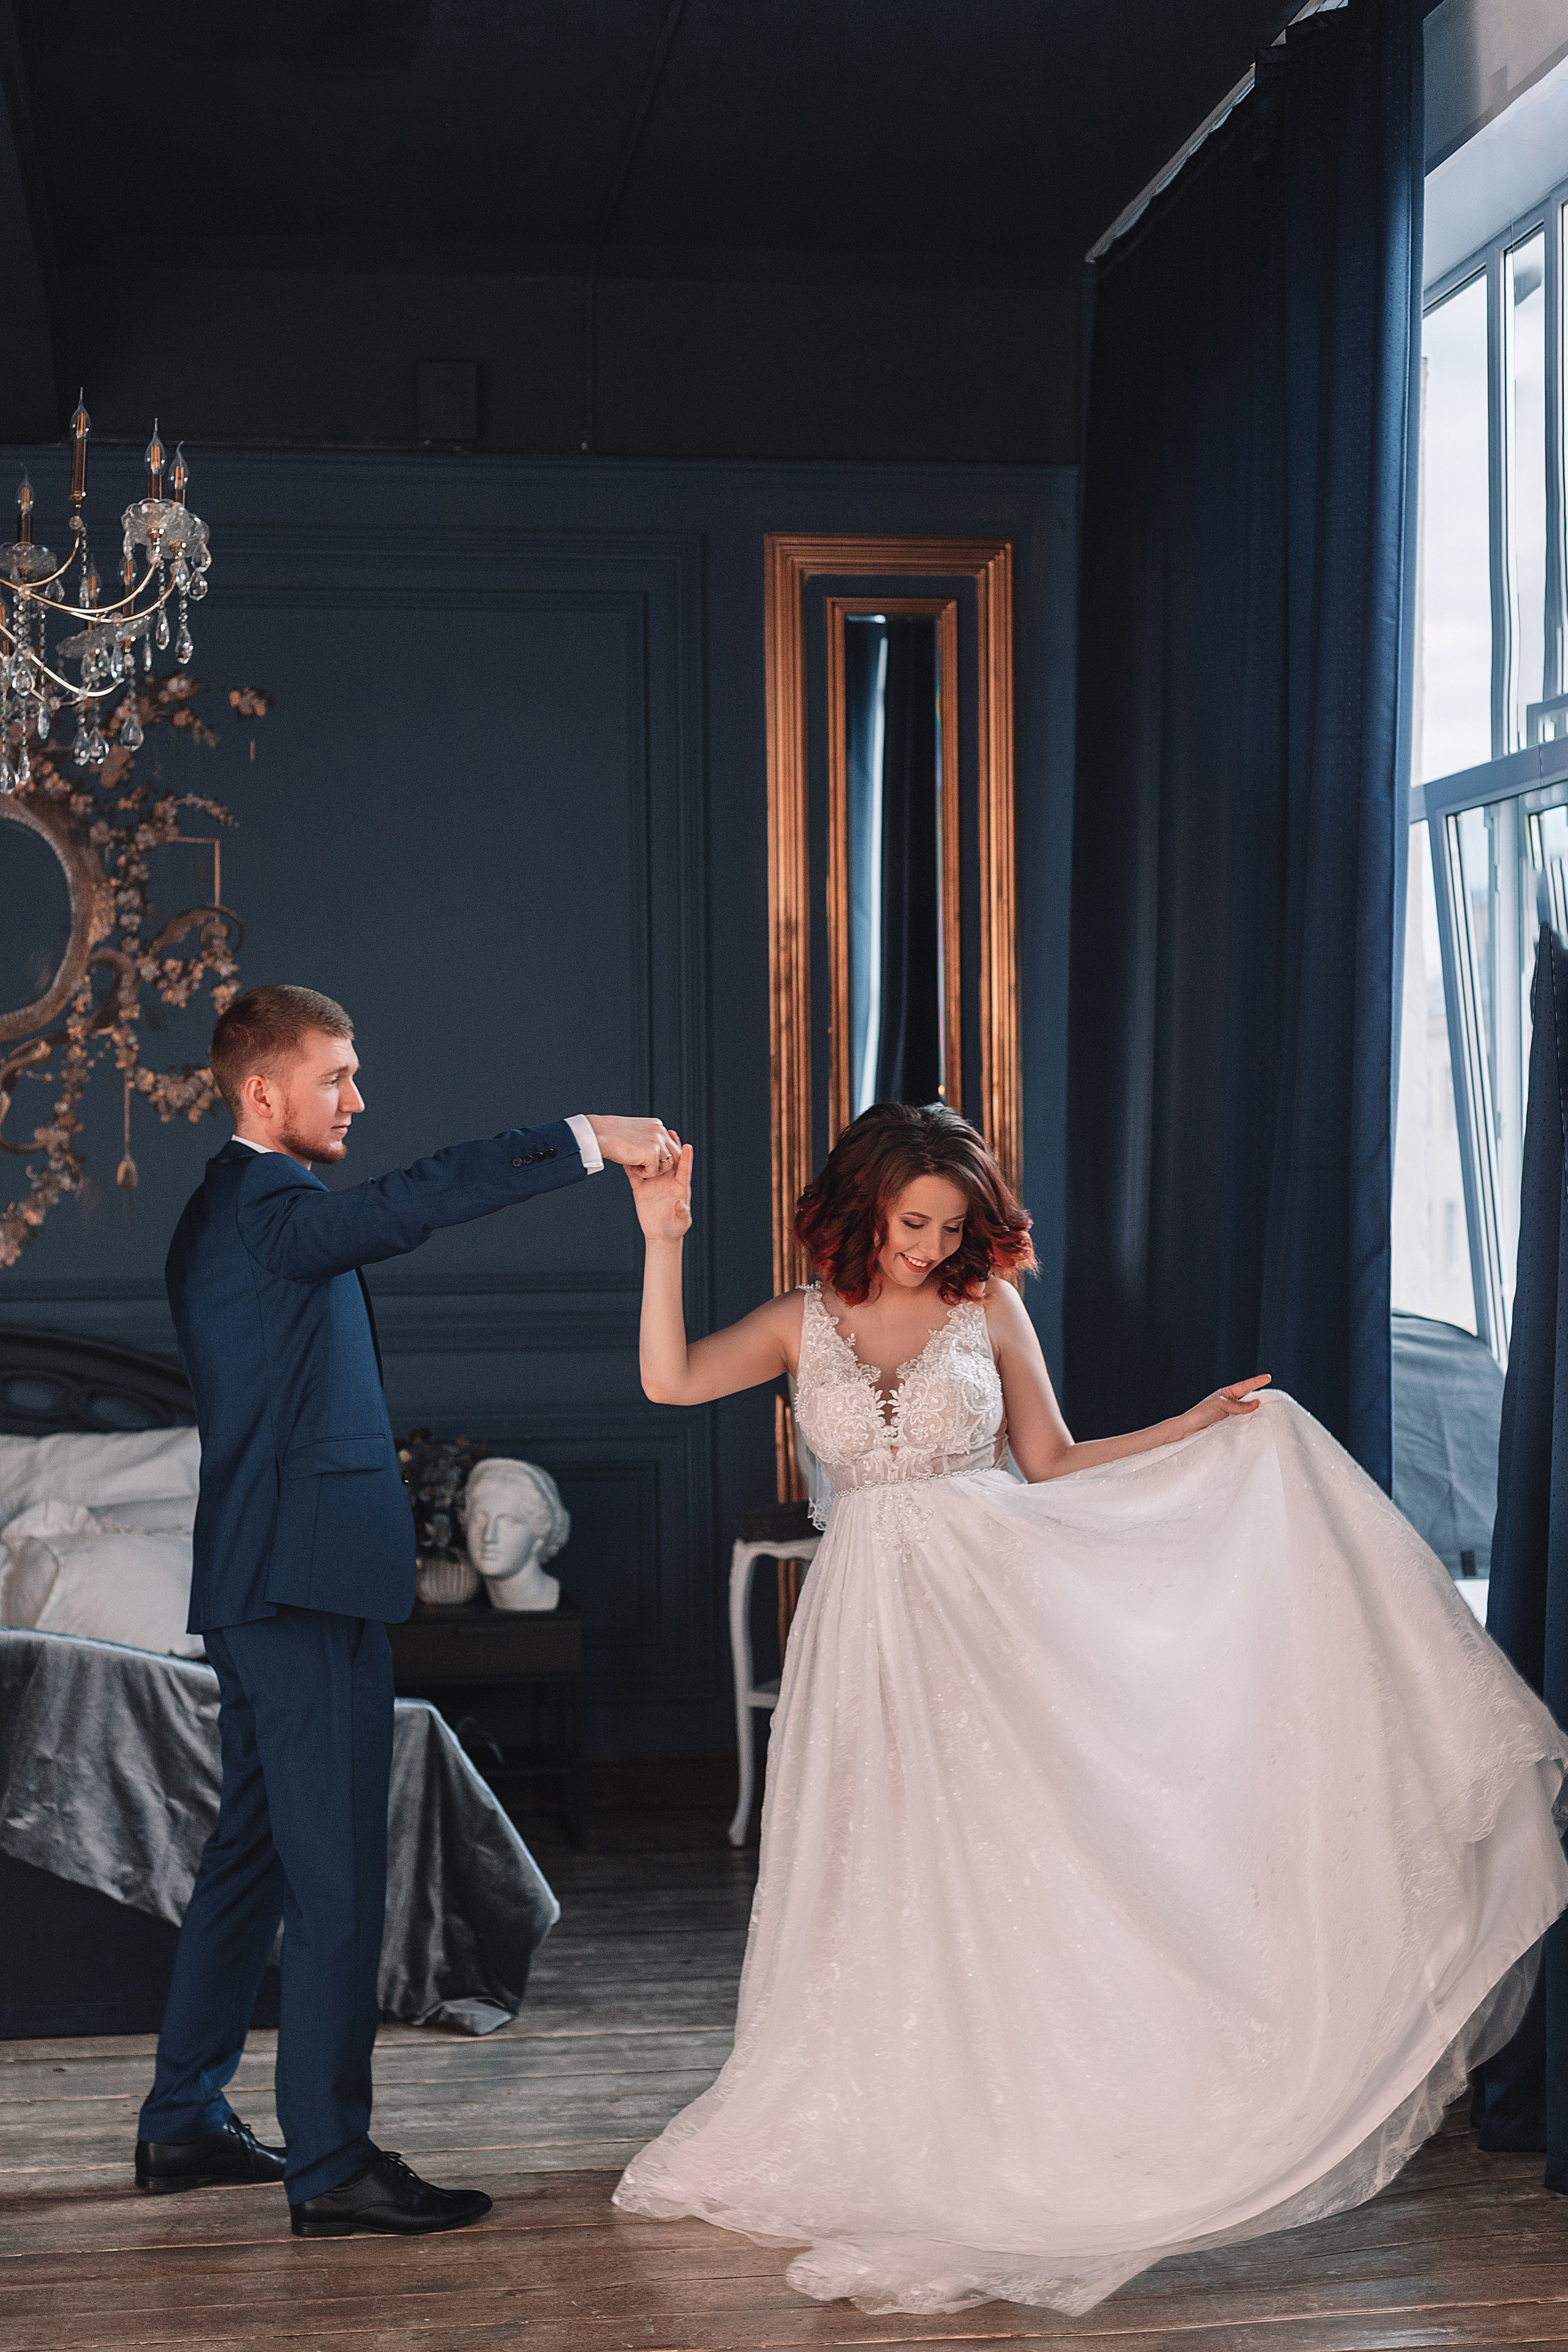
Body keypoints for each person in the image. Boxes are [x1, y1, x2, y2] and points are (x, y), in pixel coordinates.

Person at [613, 1100, 1568, 2316]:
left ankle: (1041, 2098)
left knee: (1021, 1859)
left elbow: (1049, 1461)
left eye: (950, 1226)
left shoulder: (984, 1308)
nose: (927, 1247)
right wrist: (662, 1237)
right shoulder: (801, 1326)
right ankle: (893, 2104)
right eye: (912, 1223)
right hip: (864, 1631)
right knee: (878, 1864)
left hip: (989, 1614)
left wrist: (1196, 1429)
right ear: (862, 1209)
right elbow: (666, 1379)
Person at [135, 983, 673, 2240]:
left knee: (252, 1859)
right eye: (337, 1077)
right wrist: (584, 1136)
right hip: (301, 1587)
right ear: (262, 1093)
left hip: (266, 1582)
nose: (358, 1100)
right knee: (336, 1887)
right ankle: (328, 2166)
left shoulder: (226, 1214)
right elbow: (413, 1199)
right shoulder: (270, 1210)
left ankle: (181, 2119)